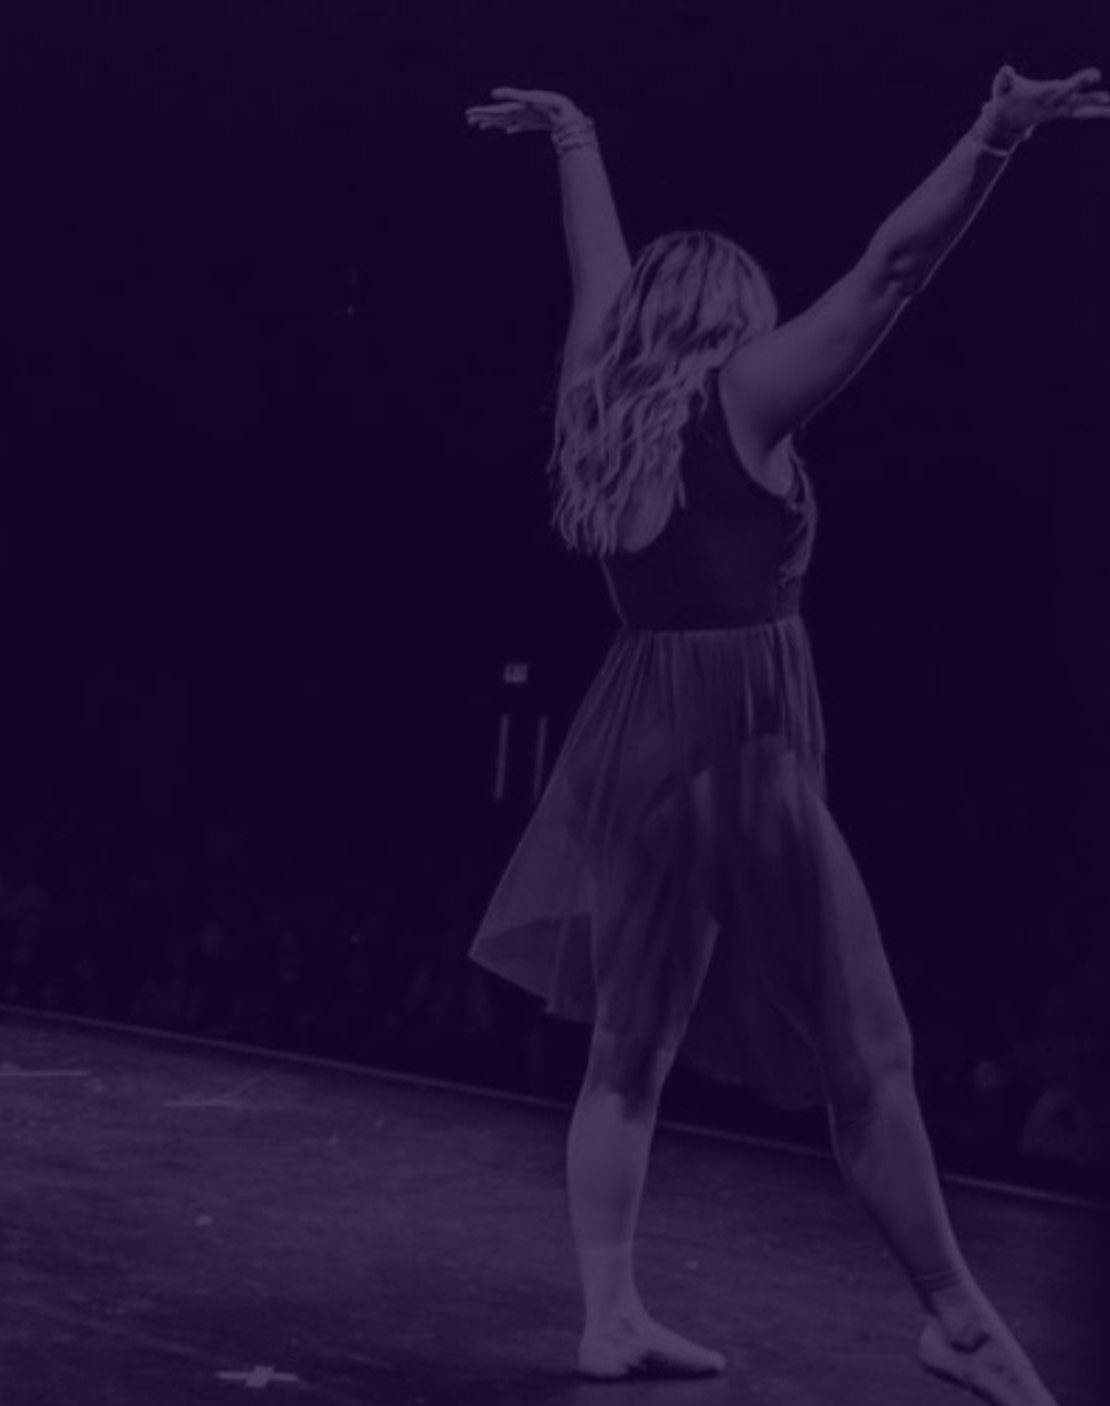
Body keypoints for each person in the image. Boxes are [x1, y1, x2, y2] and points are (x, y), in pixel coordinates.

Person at [463, 67, 1105, 1403]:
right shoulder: (741, 400)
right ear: (730, 318)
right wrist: (995, 134)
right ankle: (957, 1318)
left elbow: (595, 271)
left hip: (634, 735)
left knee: (625, 1053)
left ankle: (611, 1310)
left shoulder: (598, 397)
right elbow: (891, 269)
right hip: (738, 741)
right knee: (868, 1053)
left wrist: (575, 139)